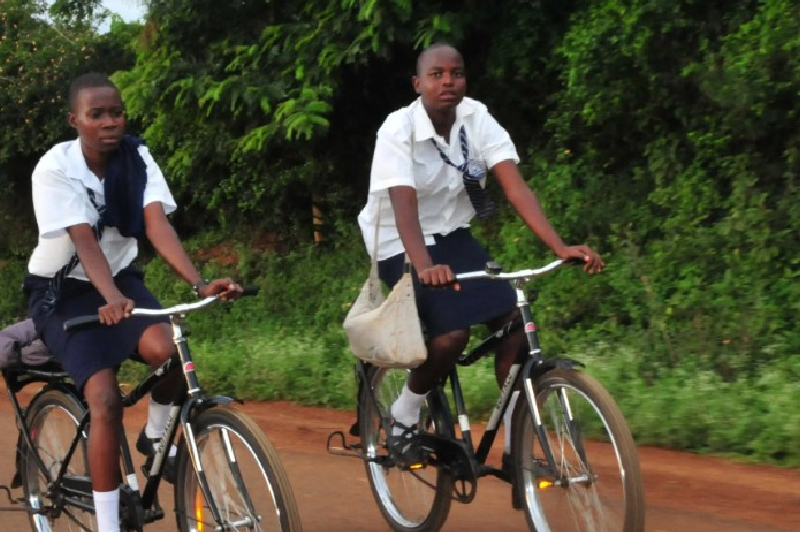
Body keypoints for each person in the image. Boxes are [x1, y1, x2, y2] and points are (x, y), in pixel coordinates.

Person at [356, 43, 604, 468]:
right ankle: (405, 412)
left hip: (452, 234)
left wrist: (559, 246)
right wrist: (425, 265)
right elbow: (403, 208)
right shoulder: (397, 129)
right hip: (401, 242)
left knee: (515, 327)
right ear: (418, 84)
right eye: (436, 74)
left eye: (456, 73)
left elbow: (515, 186)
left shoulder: (477, 117)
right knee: (451, 334)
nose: (447, 82)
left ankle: (514, 444)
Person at [22, 72, 243, 532]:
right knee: (103, 399)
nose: (109, 122)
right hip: (63, 291)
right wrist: (111, 298)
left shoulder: (137, 156)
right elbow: (83, 239)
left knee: (170, 353)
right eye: (96, 114)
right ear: (74, 120)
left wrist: (198, 282)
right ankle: (108, 525)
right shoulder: (55, 168)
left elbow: (156, 223)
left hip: (119, 279)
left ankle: (156, 433)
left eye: (115, 112)